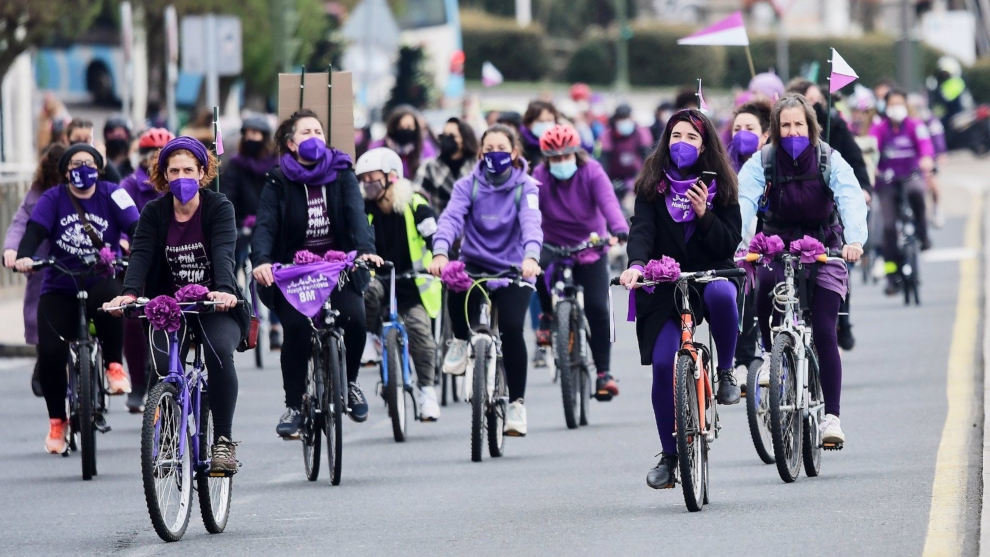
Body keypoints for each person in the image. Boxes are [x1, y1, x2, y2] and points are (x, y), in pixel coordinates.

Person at [617, 109, 742, 489]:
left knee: (724, 293)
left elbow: (728, 241)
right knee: (662, 366)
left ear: (704, 145)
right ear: (665, 141)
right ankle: (670, 457)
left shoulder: (720, 185)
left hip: (708, 275)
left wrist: (704, 214)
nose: (682, 144)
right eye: (676, 136)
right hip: (663, 283)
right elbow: (640, 232)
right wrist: (636, 265)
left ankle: (725, 372)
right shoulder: (651, 186)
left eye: (691, 137)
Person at [104, 136, 243, 474]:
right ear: (163, 175)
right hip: (168, 305)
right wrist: (130, 292)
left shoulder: (219, 206)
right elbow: (140, 254)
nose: (182, 177)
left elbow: (225, 252)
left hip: (212, 303)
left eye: (189, 170)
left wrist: (224, 290)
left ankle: (222, 441)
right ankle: (167, 435)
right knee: (165, 366)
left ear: (202, 172)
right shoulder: (154, 212)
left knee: (219, 353)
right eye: (174, 171)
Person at [738, 93, 868, 449]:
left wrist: (854, 240)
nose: (792, 131)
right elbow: (745, 203)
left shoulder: (829, 159)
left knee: (826, 328)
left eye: (799, 125)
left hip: (825, 245)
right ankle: (768, 354)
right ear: (776, 130)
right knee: (763, 284)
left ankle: (832, 418)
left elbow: (850, 196)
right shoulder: (762, 162)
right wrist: (742, 244)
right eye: (785, 126)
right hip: (775, 244)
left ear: (811, 128)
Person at [251, 109, 381, 438]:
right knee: (296, 328)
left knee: (355, 318)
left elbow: (356, 217)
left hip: (337, 267)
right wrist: (262, 260)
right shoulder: (278, 179)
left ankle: (349, 384)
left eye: (318, 132)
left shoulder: (342, 172)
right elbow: (265, 226)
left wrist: (365, 252)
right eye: (306, 133)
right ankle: (295, 404)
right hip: (294, 271)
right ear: (291, 144)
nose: (314, 138)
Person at [14, 143, 139, 455]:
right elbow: (34, 231)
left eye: (88, 162)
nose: (81, 168)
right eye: (75, 164)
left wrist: (133, 248)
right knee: (51, 353)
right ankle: (57, 421)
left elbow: (138, 226)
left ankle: (113, 366)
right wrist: (24, 257)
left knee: (112, 298)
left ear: (98, 167)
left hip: (100, 277)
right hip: (59, 284)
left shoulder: (112, 193)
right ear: (65, 171)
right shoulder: (52, 198)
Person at [429, 124, 543, 437]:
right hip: (474, 265)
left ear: (515, 153)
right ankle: (461, 340)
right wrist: (440, 253)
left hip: (513, 269)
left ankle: (517, 405)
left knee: (511, 329)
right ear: (480, 152)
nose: (495, 155)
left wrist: (531, 257)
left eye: (501, 149)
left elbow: (532, 224)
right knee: (454, 280)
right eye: (488, 149)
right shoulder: (468, 185)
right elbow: (451, 219)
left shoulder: (527, 187)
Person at [532, 124, 629, 400]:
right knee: (533, 266)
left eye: (566, 156)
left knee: (598, 307)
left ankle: (603, 373)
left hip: (590, 245)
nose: (561, 162)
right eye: (555, 158)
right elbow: (528, 211)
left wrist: (619, 228)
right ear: (546, 159)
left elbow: (609, 202)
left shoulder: (592, 172)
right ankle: (548, 316)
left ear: (577, 153)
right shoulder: (539, 177)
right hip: (552, 244)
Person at [786, 78, 872, 350]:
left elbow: (854, 165)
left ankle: (842, 322)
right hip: (787, 225)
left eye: (814, 103)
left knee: (836, 268)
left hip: (828, 215)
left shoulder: (834, 130)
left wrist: (864, 188)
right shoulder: (775, 148)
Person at [357, 147, 442, 421]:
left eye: (373, 178)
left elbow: (433, 232)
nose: (368, 185)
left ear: (392, 176)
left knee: (421, 334)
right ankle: (371, 339)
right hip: (378, 280)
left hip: (412, 284)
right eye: (364, 179)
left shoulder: (414, 202)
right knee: (367, 294)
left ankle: (427, 392)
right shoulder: (362, 210)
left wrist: (439, 256)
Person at [117, 127, 174, 412]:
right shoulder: (128, 185)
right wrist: (124, 240)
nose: (155, 159)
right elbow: (124, 219)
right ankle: (138, 383)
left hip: (171, 262)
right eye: (151, 153)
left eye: (161, 154)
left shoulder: (175, 183)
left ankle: (166, 378)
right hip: (139, 260)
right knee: (132, 322)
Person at [3, 144, 66, 397]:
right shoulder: (36, 194)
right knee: (37, 314)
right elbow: (20, 224)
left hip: (77, 261)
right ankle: (45, 359)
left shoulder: (83, 191)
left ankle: (95, 366)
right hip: (43, 263)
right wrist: (12, 251)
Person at [219, 116, 283, 349]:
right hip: (242, 225)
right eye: (249, 134)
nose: (252, 138)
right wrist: (235, 219)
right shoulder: (236, 165)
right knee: (232, 264)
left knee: (273, 272)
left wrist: (268, 218)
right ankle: (239, 313)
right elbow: (227, 194)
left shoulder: (276, 166)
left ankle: (276, 325)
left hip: (269, 225)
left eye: (258, 134)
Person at [870, 87, 935, 295]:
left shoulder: (915, 125)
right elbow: (871, 150)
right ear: (885, 107)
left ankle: (923, 234)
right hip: (887, 181)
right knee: (888, 228)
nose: (895, 108)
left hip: (911, 176)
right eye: (891, 105)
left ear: (906, 105)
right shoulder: (879, 128)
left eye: (899, 104)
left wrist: (926, 160)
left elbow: (925, 146)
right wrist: (871, 169)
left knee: (917, 193)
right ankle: (891, 275)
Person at [726, 100, 772, 388]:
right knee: (740, 295)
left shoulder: (773, 165)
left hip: (771, 246)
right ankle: (741, 362)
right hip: (737, 248)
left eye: (750, 128)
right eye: (737, 128)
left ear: (765, 135)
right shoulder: (722, 168)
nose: (743, 133)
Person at [414, 117, 478, 214]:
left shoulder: (476, 166)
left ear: (465, 140)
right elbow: (417, 192)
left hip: (470, 224)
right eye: (444, 135)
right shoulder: (430, 166)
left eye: (452, 136)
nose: (447, 139)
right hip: (439, 223)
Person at [601, 103, 653, 207]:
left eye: (626, 118)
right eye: (621, 119)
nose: (624, 122)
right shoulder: (608, 134)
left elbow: (647, 160)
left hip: (636, 177)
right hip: (614, 179)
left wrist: (637, 184)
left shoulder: (641, 133)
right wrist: (607, 184)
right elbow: (604, 161)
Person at [369, 105, 437, 179]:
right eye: (401, 127)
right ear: (393, 128)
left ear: (416, 128)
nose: (405, 130)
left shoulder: (424, 148)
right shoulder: (379, 148)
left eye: (409, 127)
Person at [66, 118, 122, 183]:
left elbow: (116, 181)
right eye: (78, 139)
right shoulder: (61, 159)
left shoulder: (96, 160)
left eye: (86, 140)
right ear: (67, 139)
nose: (81, 145)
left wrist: (102, 160)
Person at [520, 100, 559, 170]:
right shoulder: (521, 144)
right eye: (541, 121)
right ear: (529, 123)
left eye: (549, 120)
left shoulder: (560, 143)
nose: (546, 125)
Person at [103, 115, 134, 179]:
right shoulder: (101, 159)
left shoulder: (134, 161)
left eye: (120, 134)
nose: (116, 135)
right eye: (112, 132)